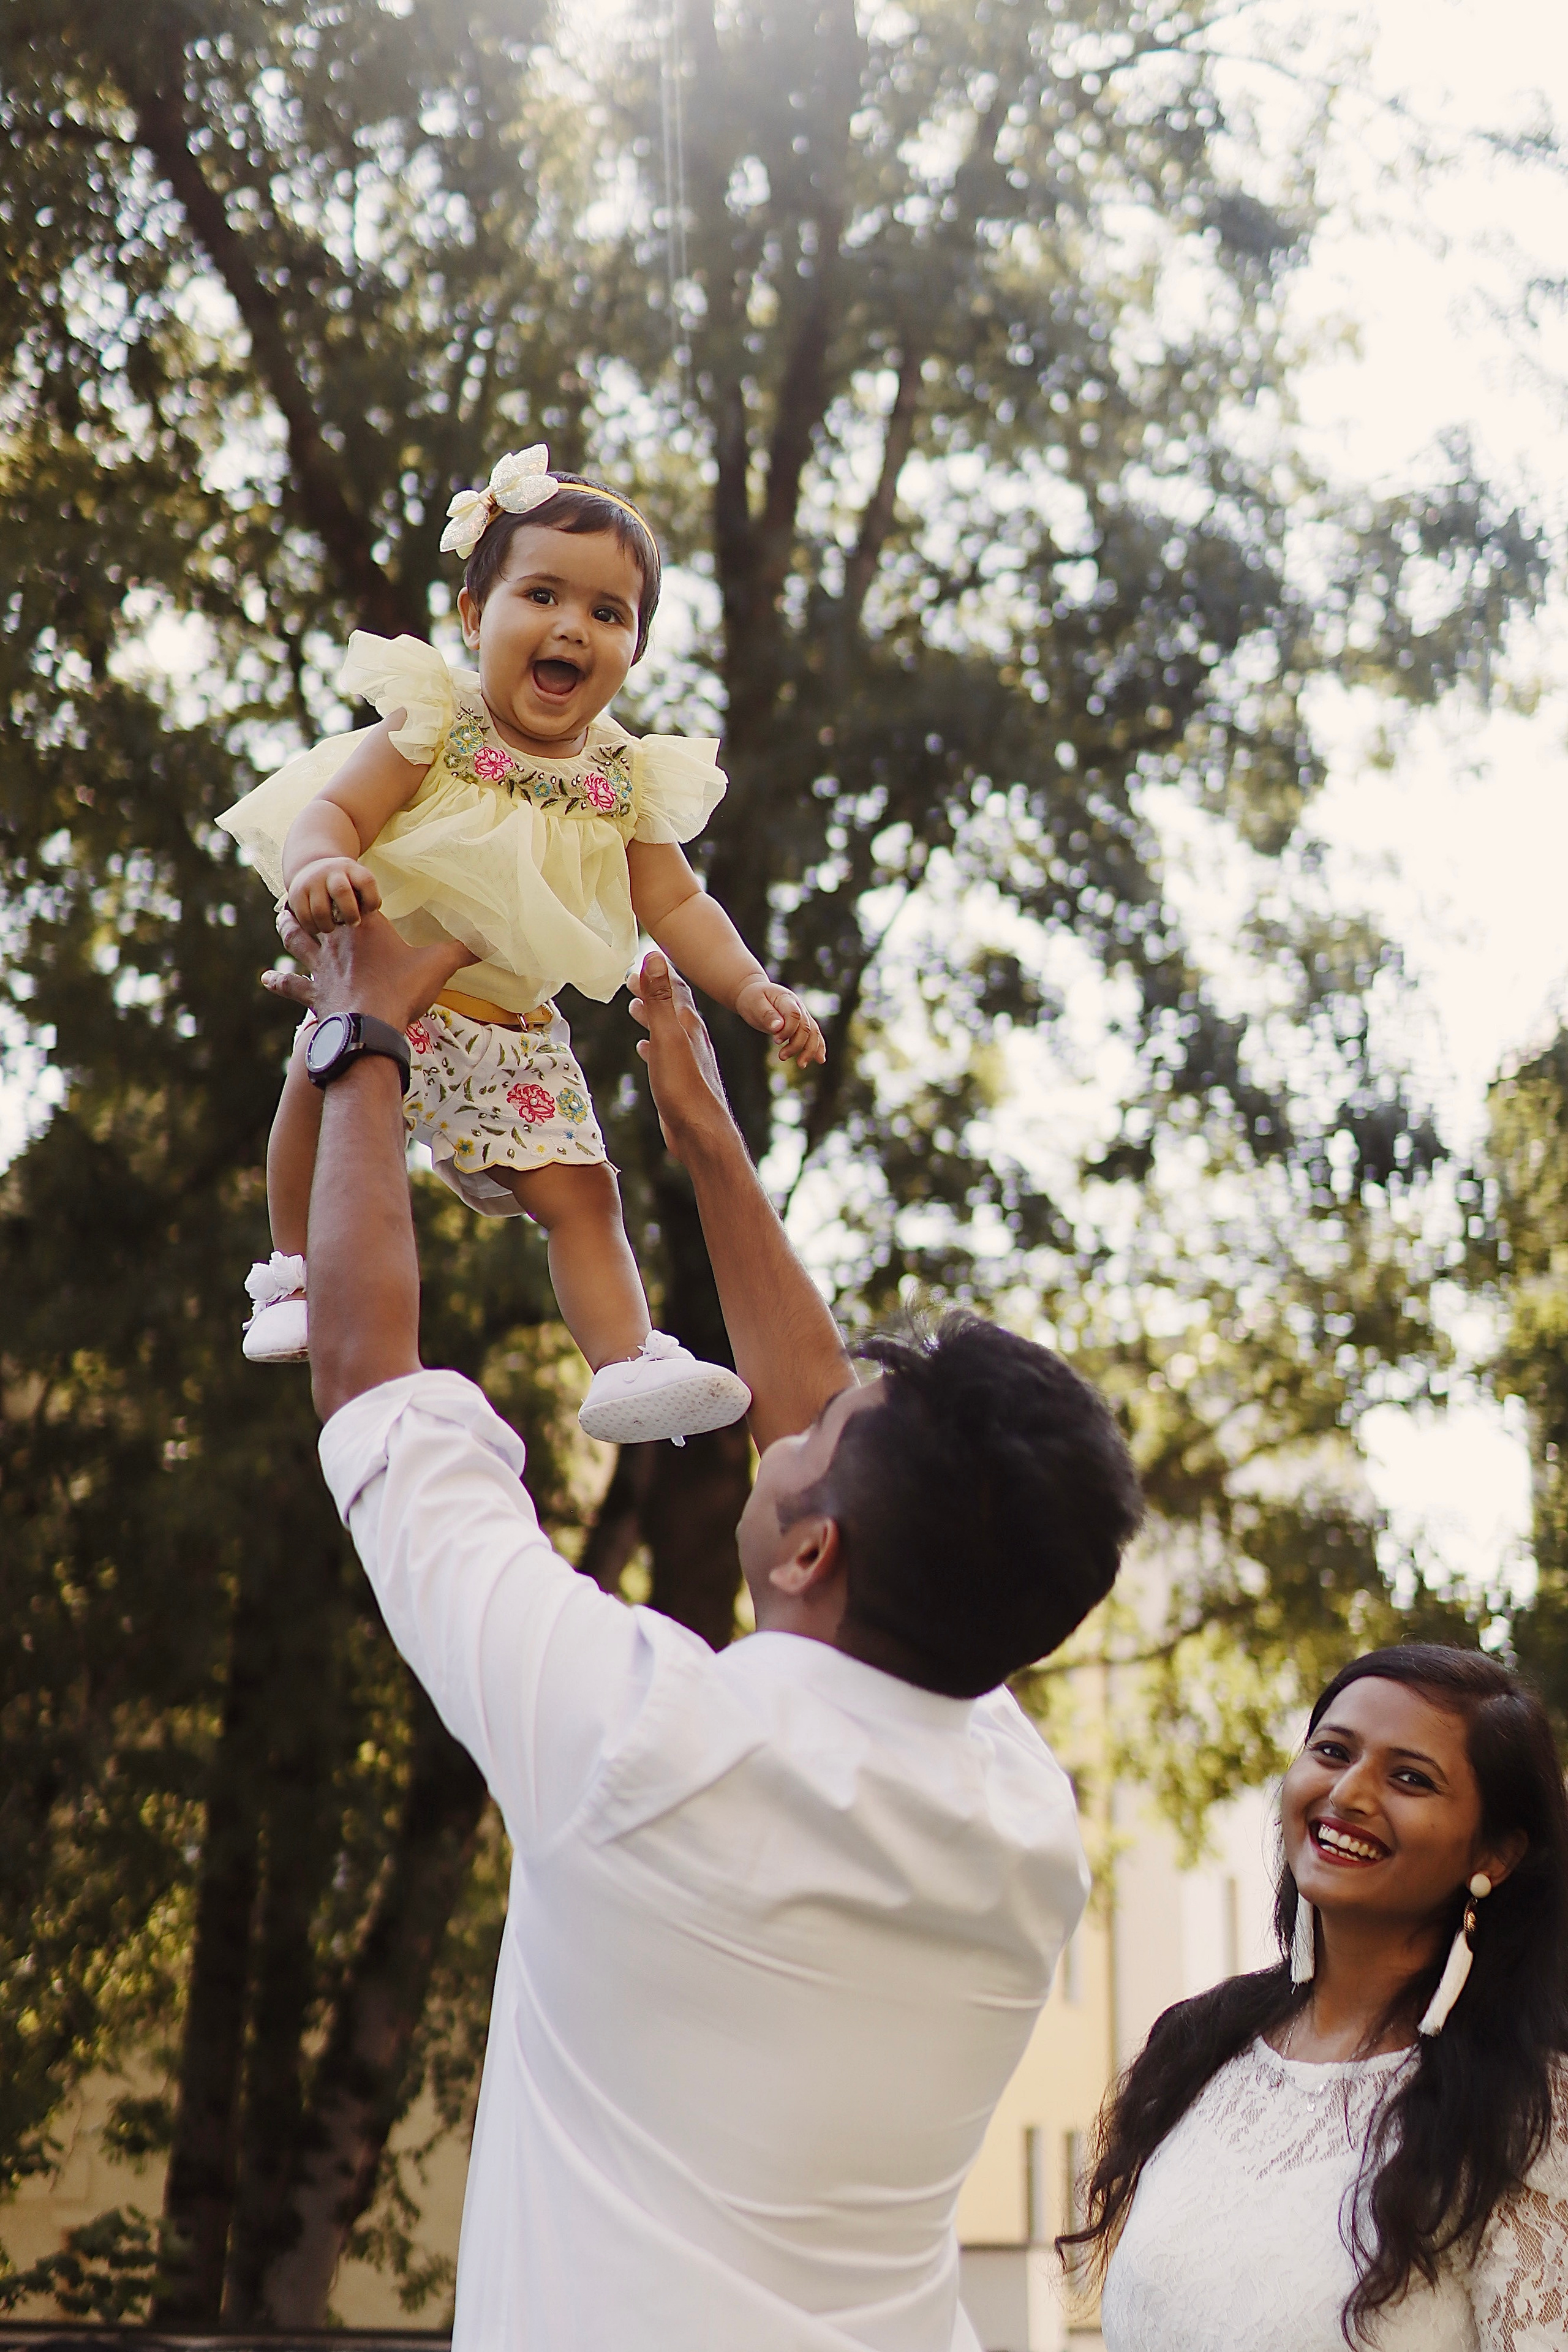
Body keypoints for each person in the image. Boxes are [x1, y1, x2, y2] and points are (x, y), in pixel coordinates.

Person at [264, 902, 1143, 2352]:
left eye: (818, 1439)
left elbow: (367, 1376)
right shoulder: (1022, 1826)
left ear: (810, 1546)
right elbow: (822, 1438)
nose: (780, 1425)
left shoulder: (638, 1741)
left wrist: (358, 1035)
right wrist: (707, 1143)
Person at [220, 444, 824, 1446]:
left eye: (608, 613)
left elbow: (677, 907)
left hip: (513, 1034)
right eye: (541, 594)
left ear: (634, 648)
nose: (571, 628)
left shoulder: (627, 777)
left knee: (587, 1197)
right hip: (384, 988)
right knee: (318, 1097)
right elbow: (335, 808)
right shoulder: (438, 720)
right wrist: (323, 867)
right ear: (473, 616)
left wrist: (752, 986)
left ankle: (627, 1362)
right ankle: (297, 1277)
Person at [1065, 1645, 1568, 2350]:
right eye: (1332, 1751)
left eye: (1409, 1778)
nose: (1350, 1794)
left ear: (1495, 1855)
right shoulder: (1197, 2050)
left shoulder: (1529, 2117)